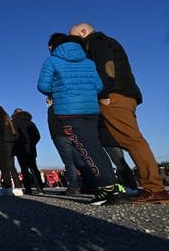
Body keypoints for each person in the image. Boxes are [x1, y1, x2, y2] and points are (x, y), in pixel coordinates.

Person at [70, 23, 167, 203]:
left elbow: (106, 66)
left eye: (75, 37)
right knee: (129, 140)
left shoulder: (96, 41)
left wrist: (104, 94)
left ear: (84, 32)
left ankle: (155, 189)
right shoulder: (103, 41)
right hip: (122, 93)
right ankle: (152, 187)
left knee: (132, 140)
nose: (74, 42)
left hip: (115, 95)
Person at [37, 33, 126, 205]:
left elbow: (43, 85)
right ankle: (113, 183)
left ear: (52, 46)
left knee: (84, 148)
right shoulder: (88, 62)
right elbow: (99, 85)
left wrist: (58, 90)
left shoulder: (52, 61)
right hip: (91, 109)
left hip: (68, 111)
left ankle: (106, 187)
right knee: (95, 146)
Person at [46, 96, 92, 196]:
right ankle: (90, 184)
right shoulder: (66, 106)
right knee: (79, 161)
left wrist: (54, 136)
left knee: (69, 162)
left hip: (60, 136)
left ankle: (73, 187)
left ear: (51, 100)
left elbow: (53, 124)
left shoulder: (52, 108)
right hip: (72, 134)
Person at [12, 108, 45, 195]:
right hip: (31, 148)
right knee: (34, 168)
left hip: (19, 148)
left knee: (24, 169)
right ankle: (40, 189)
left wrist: (15, 145)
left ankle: (28, 189)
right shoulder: (30, 122)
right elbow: (37, 136)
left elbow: (12, 135)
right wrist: (32, 143)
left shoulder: (13, 122)